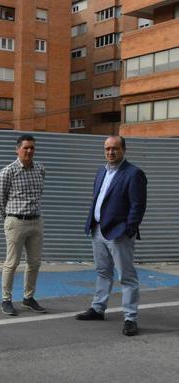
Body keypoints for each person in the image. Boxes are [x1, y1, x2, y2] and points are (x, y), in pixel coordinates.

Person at [76, 136, 147, 336]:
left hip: (119, 234)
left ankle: (130, 318)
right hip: (98, 230)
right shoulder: (101, 171)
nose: (110, 152)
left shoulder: (134, 174)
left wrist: (128, 230)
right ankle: (98, 308)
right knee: (102, 272)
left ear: (124, 149)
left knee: (127, 276)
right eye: (107, 149)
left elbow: (138, 206)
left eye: (115, 148)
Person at [0, 134, 46, 316]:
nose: (29, 151)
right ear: (17, 149)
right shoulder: (8, 172)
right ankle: (6, 300)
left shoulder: (40, 169)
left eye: (32, 147)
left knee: (34, 263)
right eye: (26, 148)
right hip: (16, 222)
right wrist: (9, 219)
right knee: (12, 263)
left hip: (36, 221)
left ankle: (28, 298)